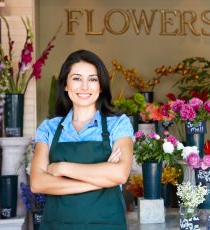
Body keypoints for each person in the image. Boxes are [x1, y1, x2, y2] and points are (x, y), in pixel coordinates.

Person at [30, 50, 134, 230]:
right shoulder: (49, 128)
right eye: (77, 78)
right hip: (57, 226)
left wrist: (62, 167)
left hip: (106, 225)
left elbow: (120, 175)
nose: (84, 87)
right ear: (65, 84)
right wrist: (102, 179)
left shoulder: (118, 125)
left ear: (101, 86)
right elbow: (38, 183)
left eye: (92, 79)